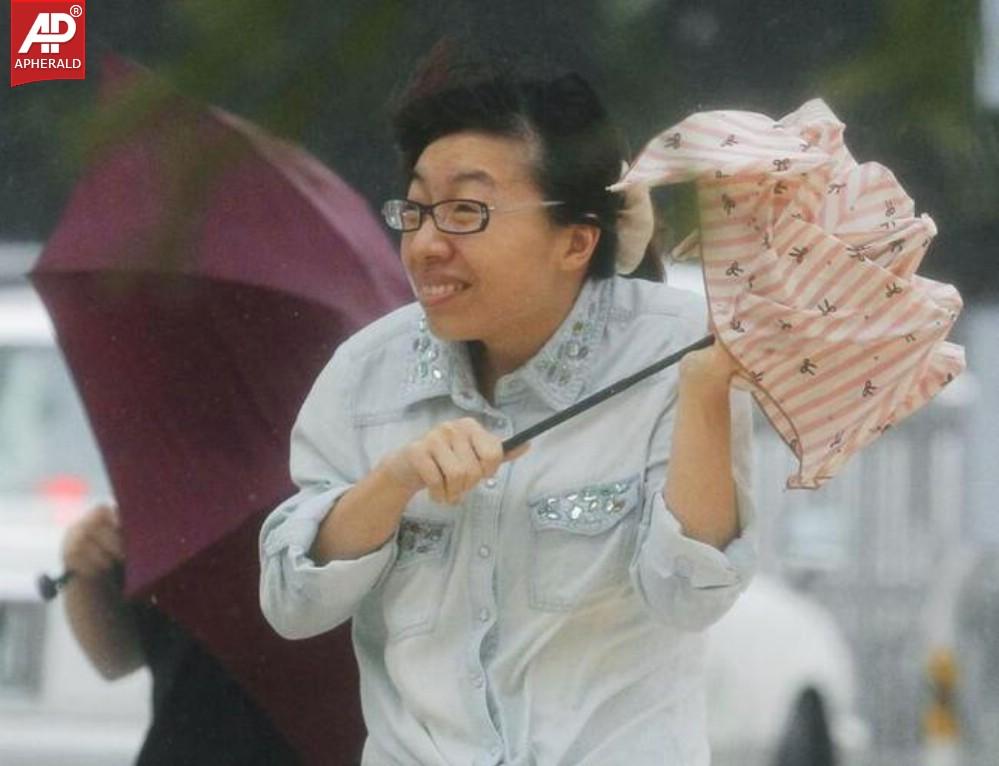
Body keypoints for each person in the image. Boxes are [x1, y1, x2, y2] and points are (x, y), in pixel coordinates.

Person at [259, 48, 757, 766]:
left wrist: (707, 396)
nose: (427, 245)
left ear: (575, 240)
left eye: (465, 211)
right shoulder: (367, 375)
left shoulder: (681, 350)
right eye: (418, 208)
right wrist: (392, 485)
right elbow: (290, 604)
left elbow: (689, 596)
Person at [62, 503, 301, 765]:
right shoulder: (167, 496)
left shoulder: (325, 488)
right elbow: (115, 658)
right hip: (184, 742)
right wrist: (85, 567)